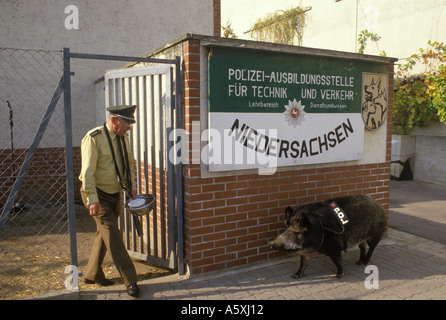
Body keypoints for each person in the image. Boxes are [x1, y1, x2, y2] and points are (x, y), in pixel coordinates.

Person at [79, 104, 140, 298]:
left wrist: (132, 186)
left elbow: (128, 163)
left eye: (130, 123)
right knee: (113, 236)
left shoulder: (123, 138)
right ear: (113, 120)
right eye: (127, 123)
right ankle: (130, 280)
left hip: (114, 193)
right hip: (97, 194)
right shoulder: (94, 138)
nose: (129, 127)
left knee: (103, 234)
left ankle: (92, 275)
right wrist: (92, 199)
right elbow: (87, 172)